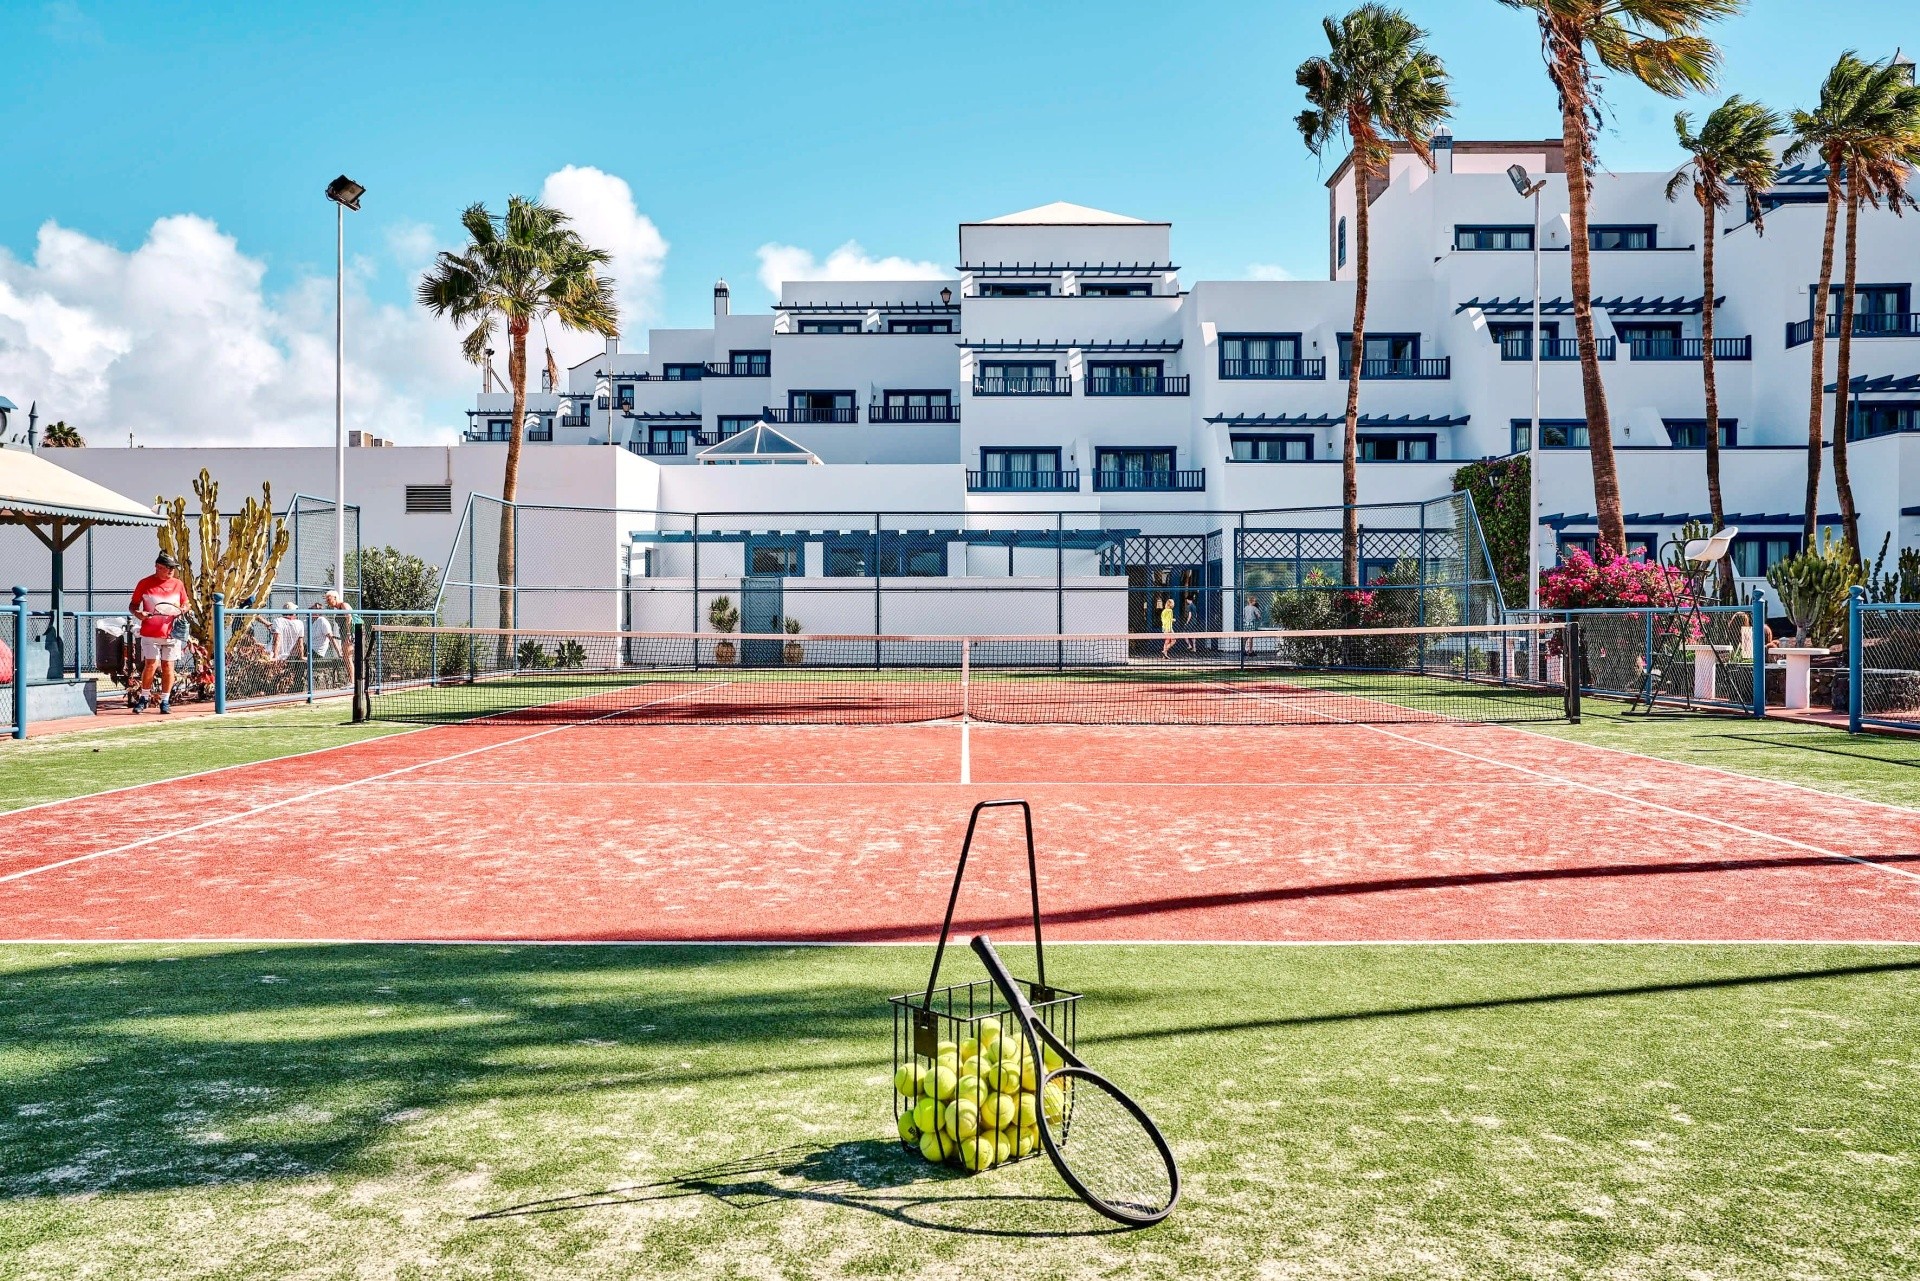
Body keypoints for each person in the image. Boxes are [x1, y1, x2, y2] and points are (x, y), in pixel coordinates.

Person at [128, 553, 190, 714]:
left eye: (173, 568)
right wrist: (139, 614)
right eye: (168, 568)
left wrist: (184, 608)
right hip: (150, 632)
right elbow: (133, 605)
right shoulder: (145, 583)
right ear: (158, 567)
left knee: (168, 666)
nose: (171, 571)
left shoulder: (178, 584)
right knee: (151, 664)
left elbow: (186, 603)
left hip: (172, 633)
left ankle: (165, 701)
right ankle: (144, 698)